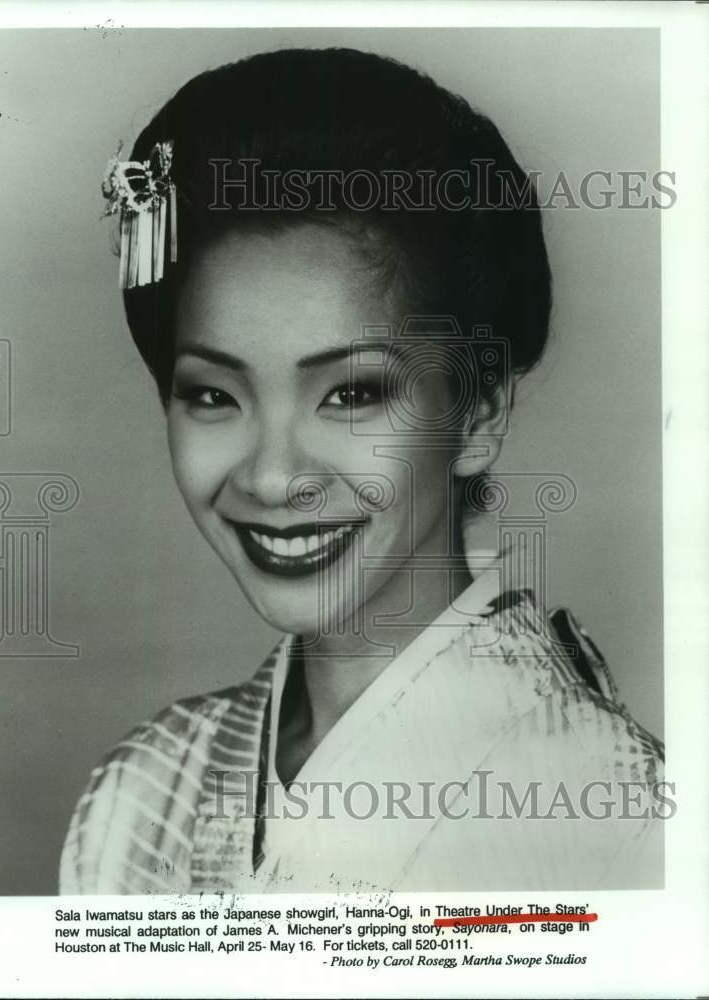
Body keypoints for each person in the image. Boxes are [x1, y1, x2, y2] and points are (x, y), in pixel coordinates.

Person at [60, 47, 665, 895]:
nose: (273, 477)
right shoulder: (138, 793)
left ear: (478, 411)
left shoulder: (613, 809)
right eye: (212, 396)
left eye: (350, 393)